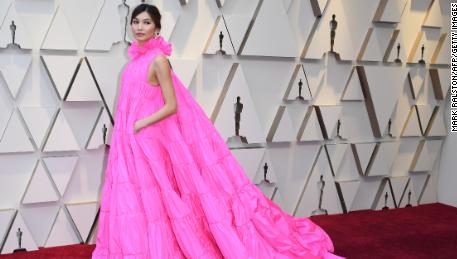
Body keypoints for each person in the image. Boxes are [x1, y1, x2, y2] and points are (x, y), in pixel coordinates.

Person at [91, 3, 342, 259]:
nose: (139, 27)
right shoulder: (133, 63)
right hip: (132, 143)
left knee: (160, 196)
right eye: (135, 21)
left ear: (156, 28)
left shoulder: (158, 61)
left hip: (150, 139)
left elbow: (172, 105)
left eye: (146, 22)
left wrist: (140, 124)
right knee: (138, 200)